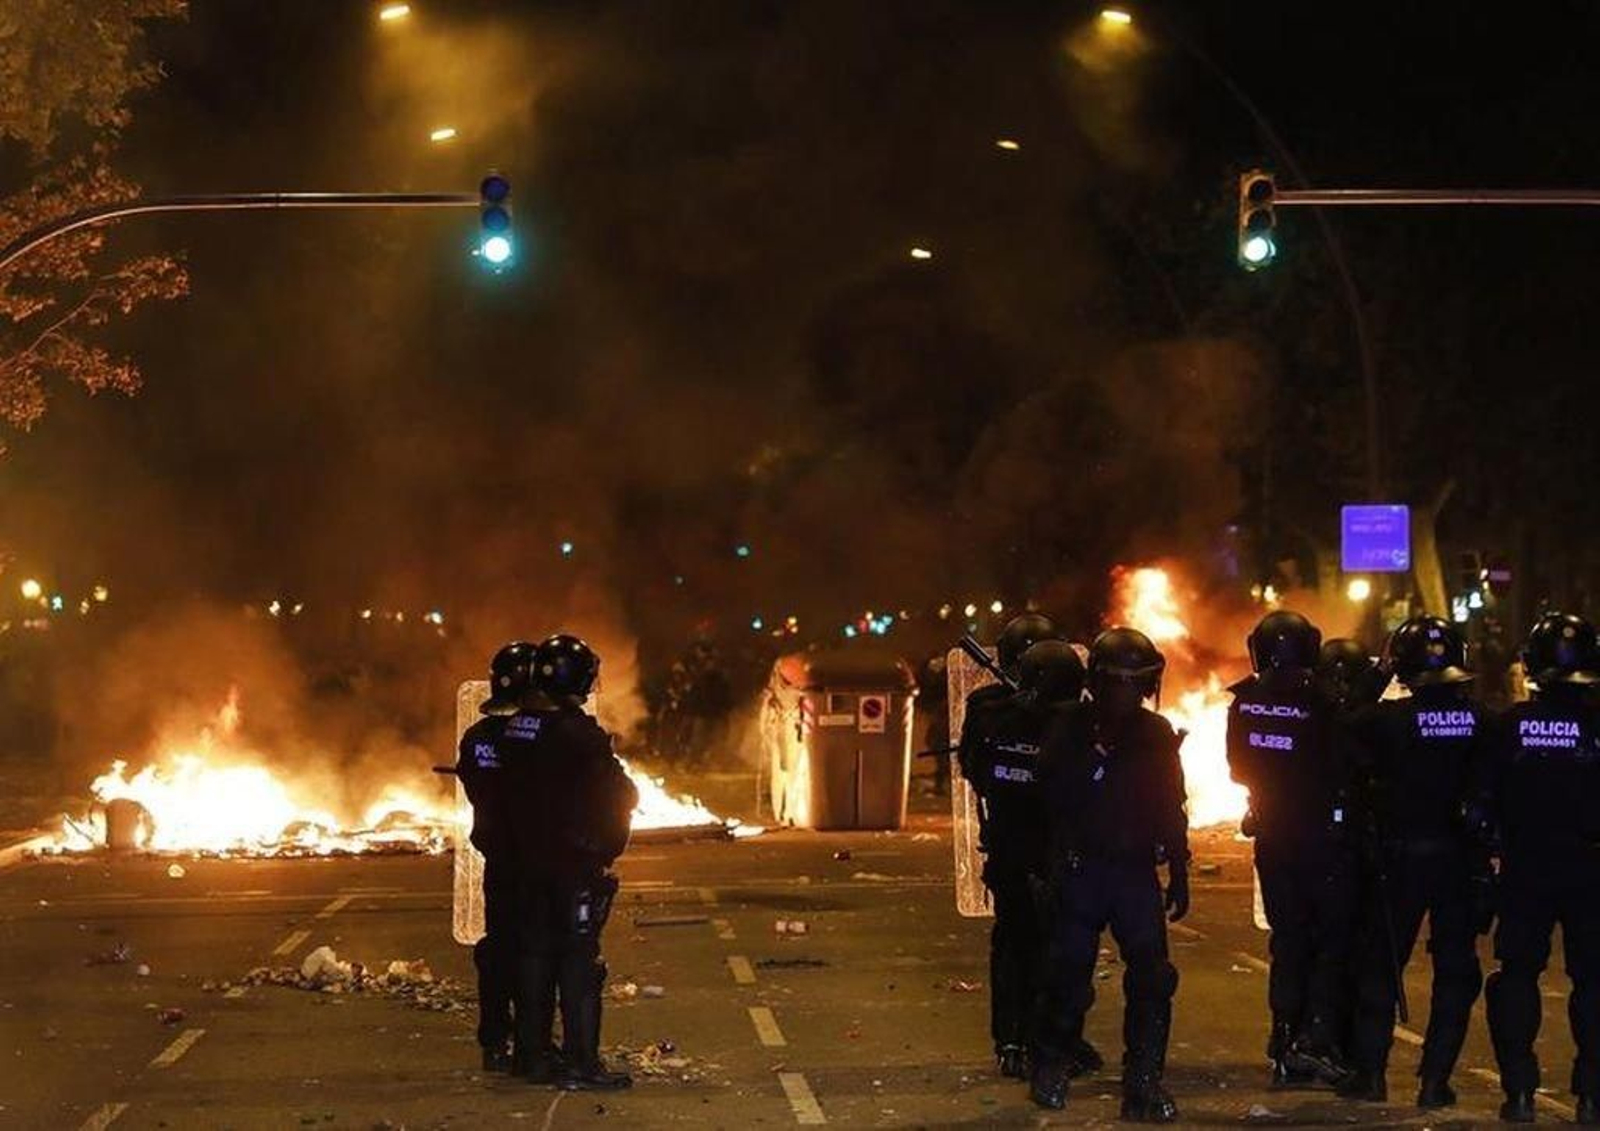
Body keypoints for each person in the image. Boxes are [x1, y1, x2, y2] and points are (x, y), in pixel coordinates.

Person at [1031, 627, 1189, 1121]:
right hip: (1082, 869)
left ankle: (1143, 1081)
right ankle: (1052, 1064)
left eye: (1134, 684)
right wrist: (1097, 755)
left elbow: (1170, 802)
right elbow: (1052, 795)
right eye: (1117, 683)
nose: (1126, 694)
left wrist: (1179, 865)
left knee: (1153, 978)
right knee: (1069, 976)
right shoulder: (1067, 727)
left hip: (1134, 872)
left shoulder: (1155, 733)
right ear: (1097, 683)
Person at [1338, 616, 1495, 1108]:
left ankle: (1371, 1075)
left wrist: (1379, 669)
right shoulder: (1483, 720)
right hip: (1458, 863)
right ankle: (1434, 1081)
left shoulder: (1384, 722)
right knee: (1455, 972)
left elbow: (1341, 719)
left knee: (1380, 967)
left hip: (1398, 861)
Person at [502, 633, 639, 1089]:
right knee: (581, 963)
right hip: (573, 865)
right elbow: (618, 792)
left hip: (524, 865)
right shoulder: (580, 734)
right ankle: (581, 1062)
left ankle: (533, 1056)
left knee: (534, 958)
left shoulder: (516, 727)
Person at [1226, 610, 1356, 1087]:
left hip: (1273, 834)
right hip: (1320, 837)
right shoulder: (1323, 701)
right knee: (1328, 940)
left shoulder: (1243, 703)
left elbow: (1238, 768)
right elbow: (1343, 764)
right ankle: (1314, 1039)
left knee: (1288, 941)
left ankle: (1282, 1043)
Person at [958, 639, 1096, 1081]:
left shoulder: (1050, 719)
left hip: (1046, 848)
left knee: (1051, 948)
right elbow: (977, 768)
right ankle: (1016, 1040)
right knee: (1023, 946)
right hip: (1019, 848)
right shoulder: (996, 714)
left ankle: (1049, 1038)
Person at [1484, 612, 1600, 1124]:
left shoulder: (1510, 726)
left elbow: (1482, 800)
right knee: (1593, 983)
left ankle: (1520, 1093)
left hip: (1526, 869)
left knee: (1516, 977)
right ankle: (1592, 1096)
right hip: (1589, 870)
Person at [455, 640, 537, 1073]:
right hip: (536, 860)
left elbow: (474, 785)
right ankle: (531, 1042)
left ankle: (494, 1040)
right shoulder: (533, 735)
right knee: (535, 953)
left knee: (499, 950)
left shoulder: (477, 737)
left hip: (497, 858)